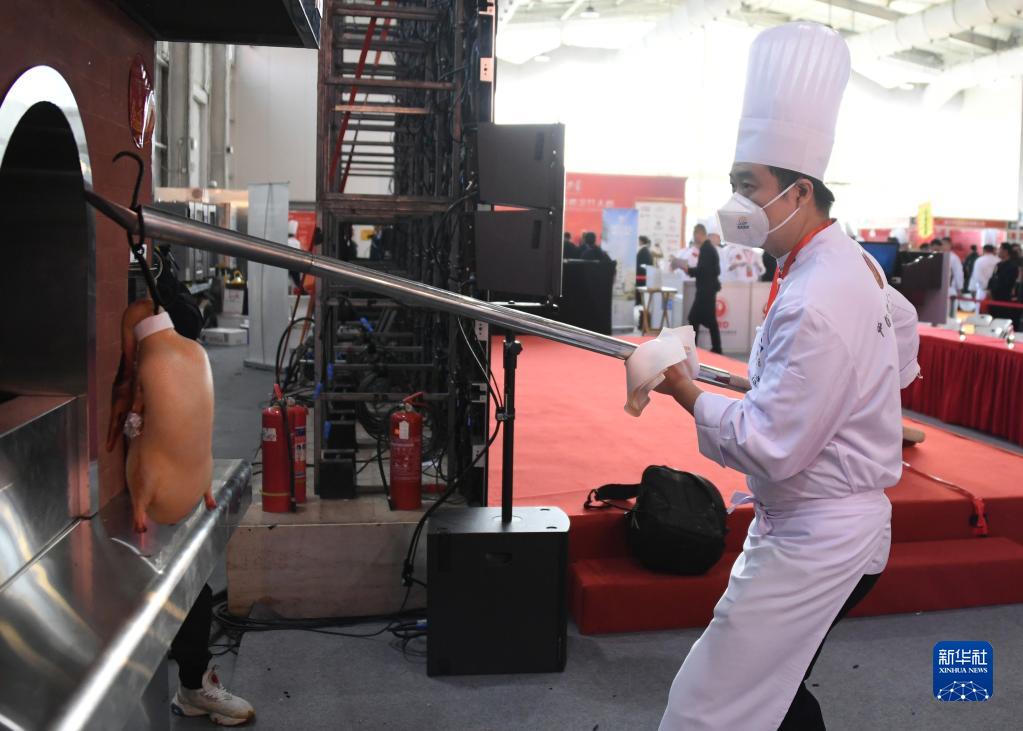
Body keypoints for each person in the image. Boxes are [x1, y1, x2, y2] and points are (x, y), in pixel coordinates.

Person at [652, 23, 920, 730]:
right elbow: (899, 341)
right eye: (733, 184)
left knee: (708, 706)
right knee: (773, 695)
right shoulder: (845, 262)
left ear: (800, 192)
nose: (736, 202)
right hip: (822, 522)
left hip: (818, 536)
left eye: (749, 186)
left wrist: (684, 389)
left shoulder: (815, 296)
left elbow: (771, 444)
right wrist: (839, 394)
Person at [108, 294, 256, 727]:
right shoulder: (174, 358)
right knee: (171, 588)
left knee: (188, 586)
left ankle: (192, 685)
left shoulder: (168, 361)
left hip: (156, 491)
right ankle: (189, 683)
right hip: (143, 491)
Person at [680, 232, 722, 354]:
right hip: (708, 290)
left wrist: (689, 270)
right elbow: (714, 270)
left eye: (695, 235)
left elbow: (702, 270)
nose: (694, 238)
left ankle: (696, 348)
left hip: (705, 291)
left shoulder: (706, 249)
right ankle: (715, 348)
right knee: (705, 320)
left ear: (699, 234)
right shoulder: (709, 248)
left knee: (694, 318)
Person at [636, 235, 654, 304]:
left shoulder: (643, 251)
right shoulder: (646, 250)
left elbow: (641, 265)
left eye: (639, 241)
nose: (638, 242)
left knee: (640, 297)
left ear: (642, 241)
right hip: (643, 277)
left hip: (641, 277)